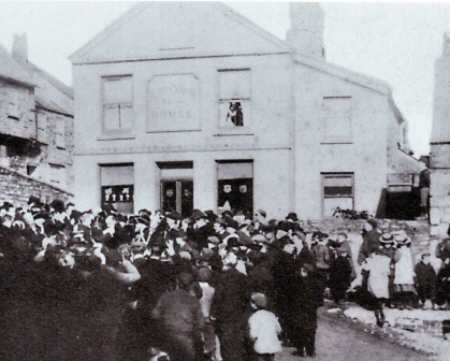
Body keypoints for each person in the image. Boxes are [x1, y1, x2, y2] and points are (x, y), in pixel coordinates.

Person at [151, 272, 205, 361]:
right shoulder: (193, 301)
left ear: (177, 282)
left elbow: (154, 315)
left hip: (167, 337)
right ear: (191, 285)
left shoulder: (166, 297)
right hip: (187, 339)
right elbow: (200, 324)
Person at [211, 252, 249, 361]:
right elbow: (246, 296)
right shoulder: (242, 277)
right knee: (237, 340)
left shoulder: (222, 278)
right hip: (238, 312)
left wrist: (213, 313)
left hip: (225, 314)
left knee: (226, 341)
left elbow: (218, 297)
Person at [290, 263, 322, 357]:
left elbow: (295, 297)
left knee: (300, 328)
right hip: (311, 311)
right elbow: (320, 301)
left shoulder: (301, 282)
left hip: (301, 310)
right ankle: (311, 351)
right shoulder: (317, 283)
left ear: (305, 271)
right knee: (311, 330)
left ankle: (300, 350)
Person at [247, 292, 282, 361]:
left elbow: (253, 335)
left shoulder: (254, 317)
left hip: (261, 347)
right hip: (272, 345)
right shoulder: (271, 315)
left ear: (254, 305)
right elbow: (279, 330)